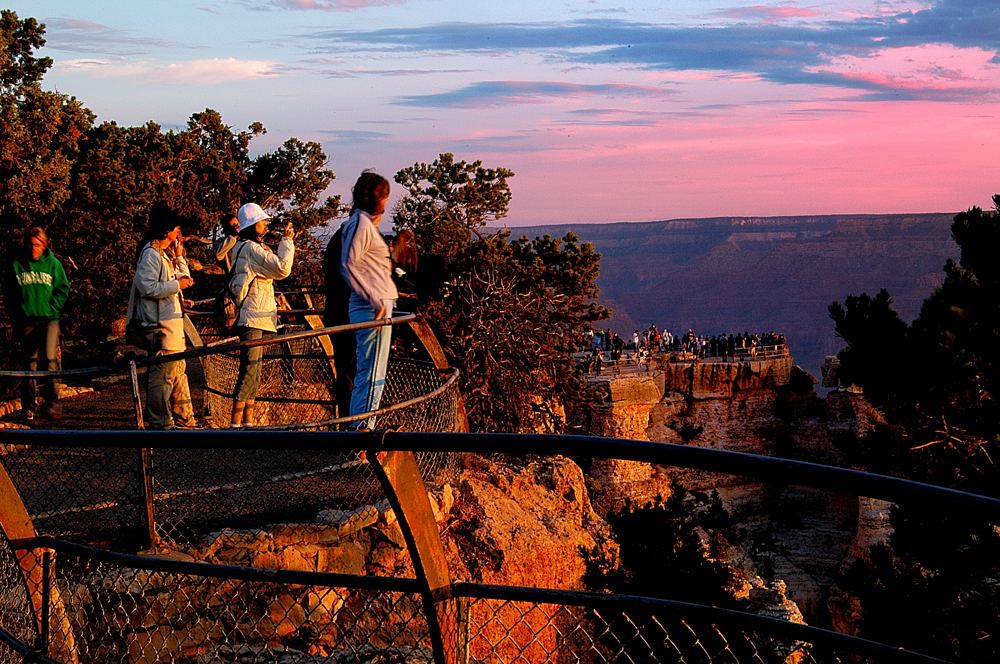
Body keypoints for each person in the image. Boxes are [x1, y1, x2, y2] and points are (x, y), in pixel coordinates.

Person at [126, 205, 197, 430]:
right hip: (160, 327)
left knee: (176, 372)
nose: (178, 232)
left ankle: (182, 419)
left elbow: (164, 286)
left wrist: (178, 293)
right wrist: (177, 285)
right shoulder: (151, 254)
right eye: (176, 227)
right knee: (162, 375)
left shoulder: (161, 254)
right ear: (166, 229)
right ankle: (160, 422)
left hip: (169, 324)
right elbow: (147, 287)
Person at [339, 170, 397, 430]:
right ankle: (361, 431)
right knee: (371, 371)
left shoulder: (360, 222)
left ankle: (364, 427)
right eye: (384, 196)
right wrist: (374, 297)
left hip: (375, 304)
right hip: (371, 307)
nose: (386, 202)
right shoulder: (361, 223)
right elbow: (348, 264)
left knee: (373, 370)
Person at [228, 202, 295, 428]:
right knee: (250, 369)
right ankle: (236, 424)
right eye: (262, 221)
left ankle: (247, 423)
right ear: (253, 224)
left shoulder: (244, 247)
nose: (266, 224)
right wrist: (287, 240)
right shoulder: (251, 249)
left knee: (254, 370)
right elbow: (282, 269)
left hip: (254, 315)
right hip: (253, 315)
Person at [4, 227, 70, 421]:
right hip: (26, 320)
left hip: (49, 319)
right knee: (29, 363)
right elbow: (9, 291)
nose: (34, 248)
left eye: (38, 244)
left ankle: (52, 404)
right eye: (31, 244)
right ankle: (29, 407)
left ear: (44, 245)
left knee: (50, 360)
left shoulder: (53, 264)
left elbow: (62, 288)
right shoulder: (17, 265)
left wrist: (53, 307)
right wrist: (17, 313)